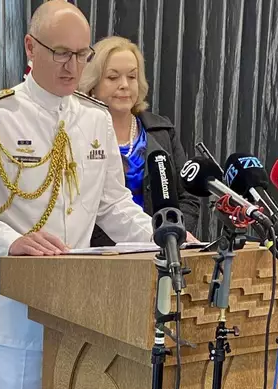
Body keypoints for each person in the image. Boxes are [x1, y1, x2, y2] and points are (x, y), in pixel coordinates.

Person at [0, 2, 155, 389]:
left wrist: (164, 241)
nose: (72, 66)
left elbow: (113, 203)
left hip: (82, 315)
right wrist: (10, 242)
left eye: (81, 54)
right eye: (60, 52)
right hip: (13, 318)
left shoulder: (95, 117)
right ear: (30, 47)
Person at [78, 36, 201, 246]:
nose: (124, 85)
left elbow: (188, 197)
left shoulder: (162, 131)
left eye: (132, 77)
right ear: (92, 84)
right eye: (113, 77)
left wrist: (173, 235)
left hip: (162, 253)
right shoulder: (79, 134)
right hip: (101, 259)